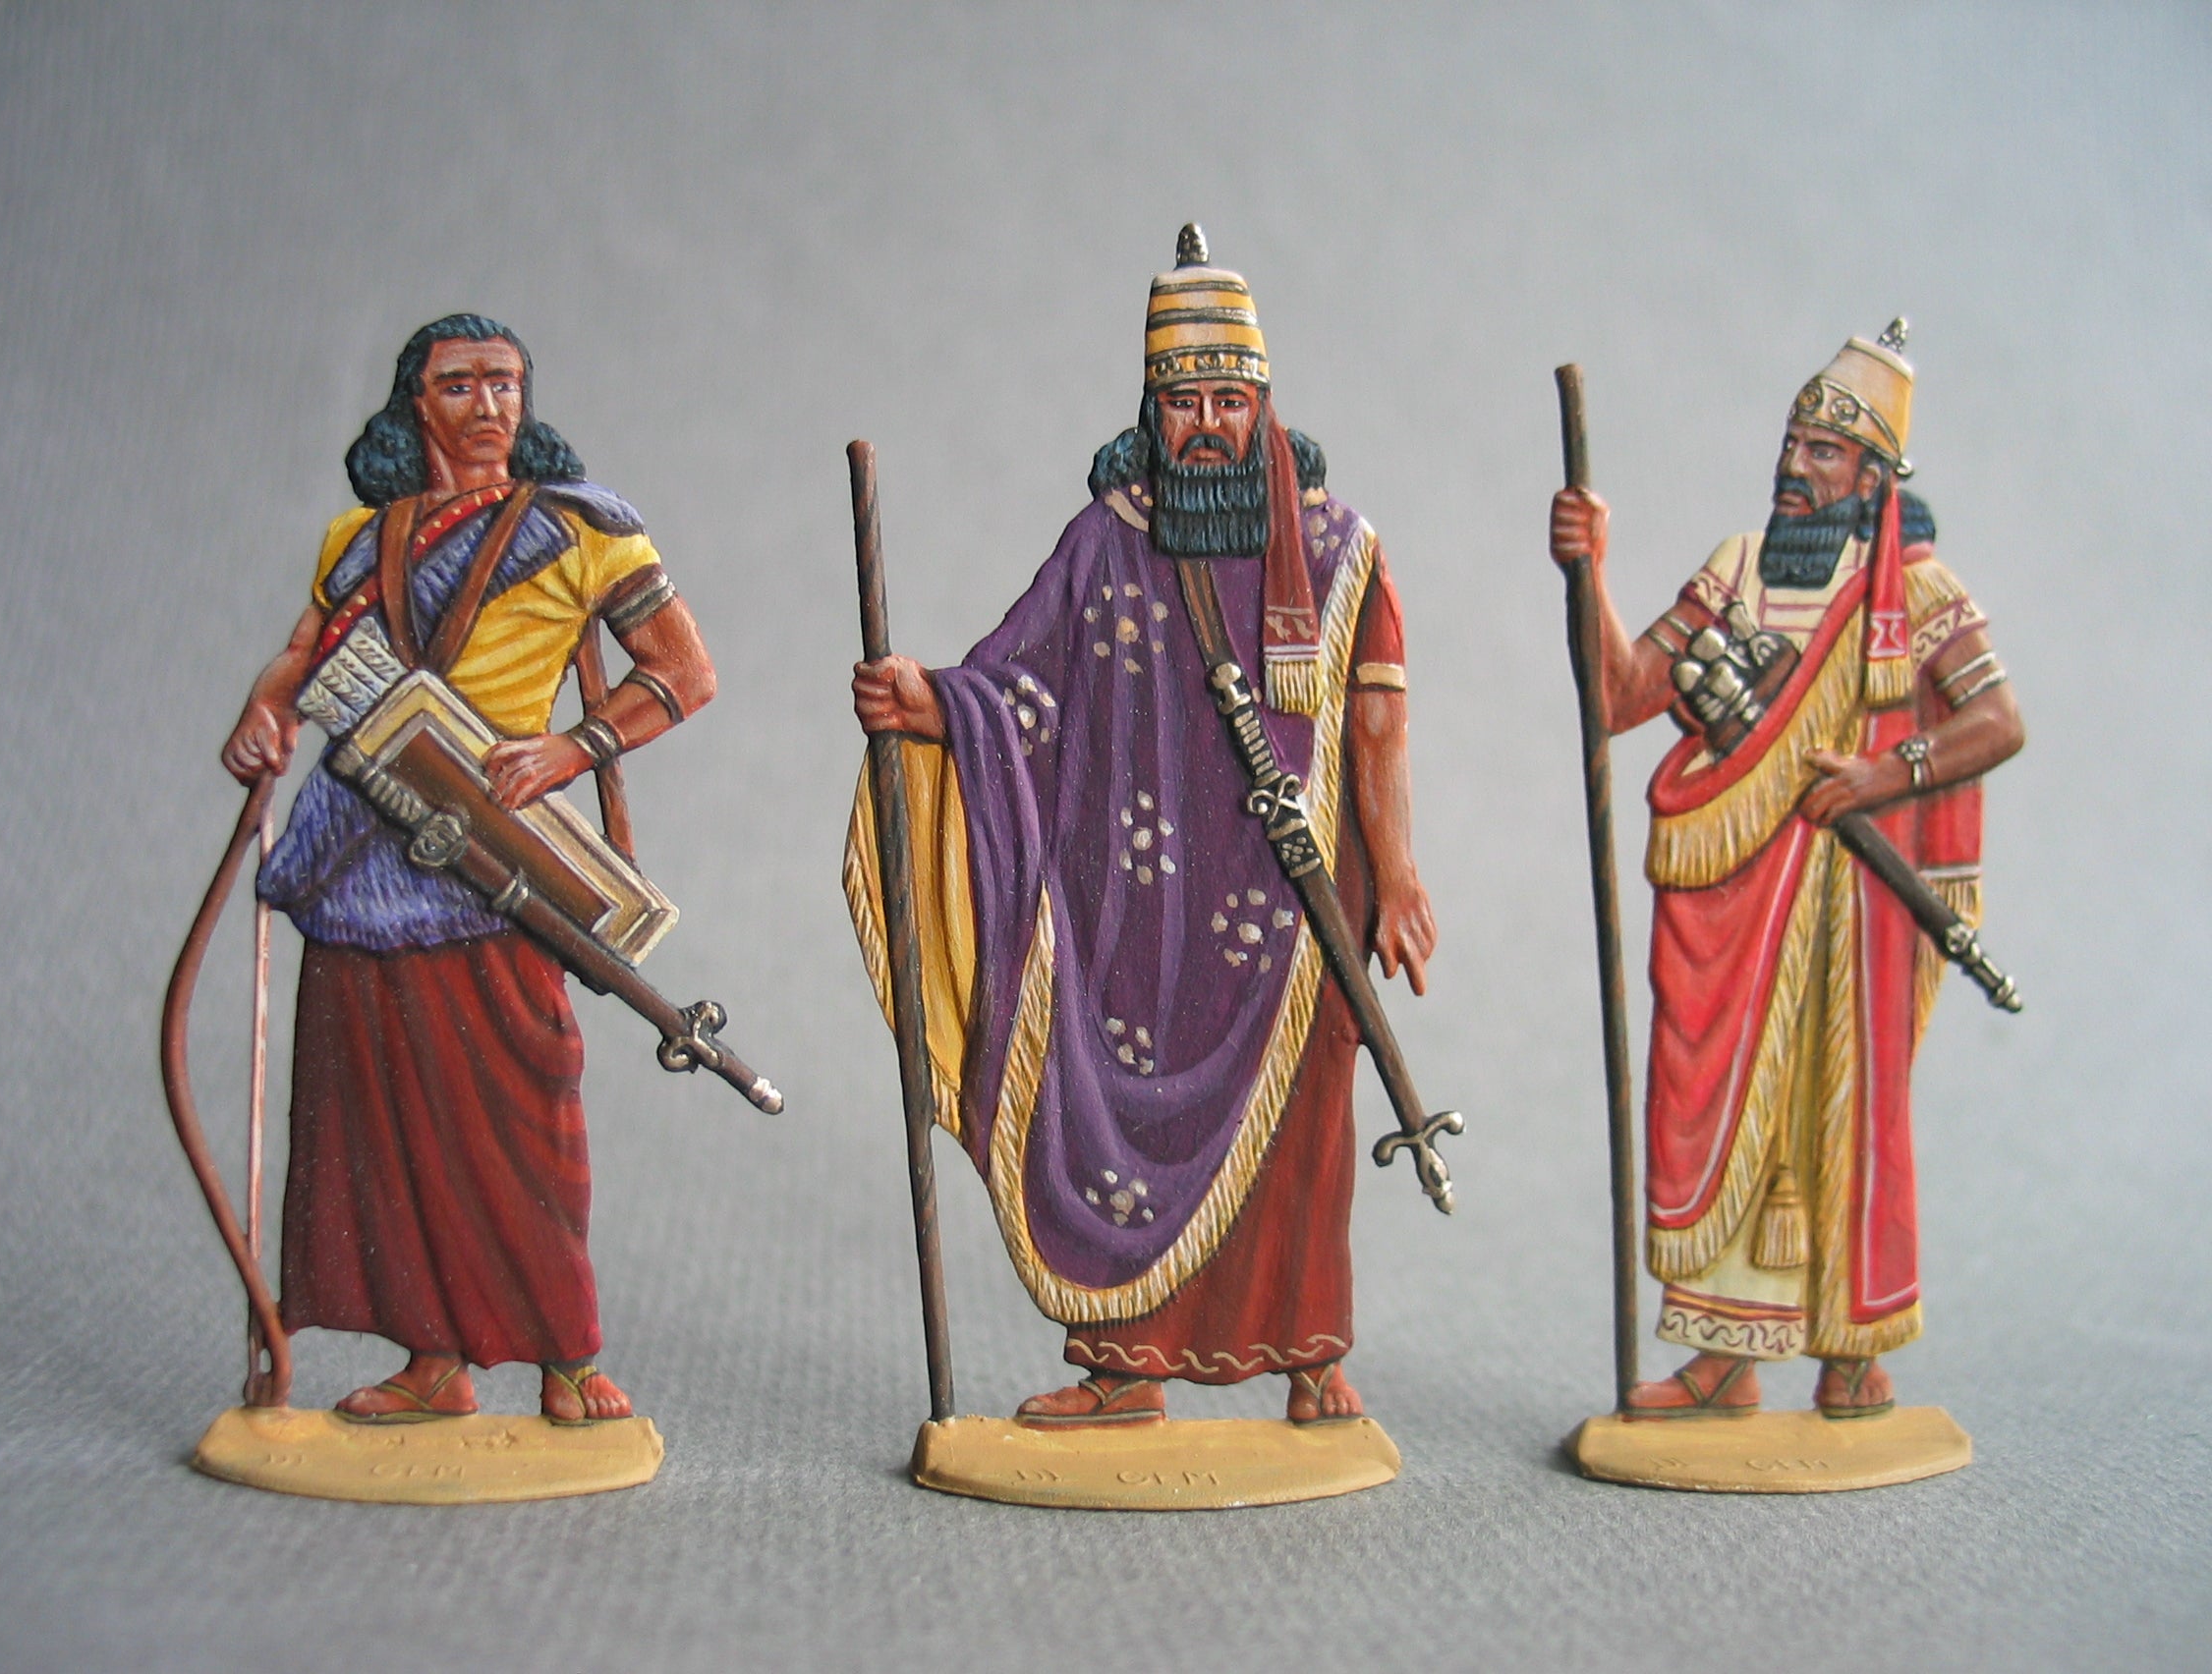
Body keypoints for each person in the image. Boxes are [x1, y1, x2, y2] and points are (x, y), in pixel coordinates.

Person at [847, 228, 1437, 1426]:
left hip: (1299, 908)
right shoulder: (1105, 539)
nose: (1206, 424)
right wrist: (931, 704)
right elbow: (1021, 685)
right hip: (1138, 918)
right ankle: (1124, 1370)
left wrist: (1401, 875)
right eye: (1184, 402)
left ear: (1263, 405)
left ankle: (1311, 1361)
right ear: (1151, 410)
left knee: (1302, 1143)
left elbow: (1377, 728)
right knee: (1118, 1115)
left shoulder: (1340, 551)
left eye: (1228, 400)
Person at [221, 314, 714, 1423]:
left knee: (519, 1110)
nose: (488, 405)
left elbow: (685, 672)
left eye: (504, 383)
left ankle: (567, 1361)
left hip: (491, 854)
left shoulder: (584, 527)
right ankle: (432, 1360)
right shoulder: (360, 538)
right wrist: (264, 713)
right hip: (356, 855)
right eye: (459, 385)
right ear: (416, 404)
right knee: (377, 1118)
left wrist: (574, 748)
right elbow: (301, 657)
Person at [1549, 323, 2024, 1420]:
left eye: (1824, 451)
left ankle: (1851, 1353)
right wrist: (1590, 571)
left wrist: (1882, 774)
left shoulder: (1918, 590)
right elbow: (1621, 696)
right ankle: (1725, 1355)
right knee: (1720, 1108)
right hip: (1735, 896)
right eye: (1792, 443)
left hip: (1855, 906)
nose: (1795, 467)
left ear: (1873, 476)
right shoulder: (1737, 569)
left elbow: (1996, 721)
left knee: (1839, 1110)